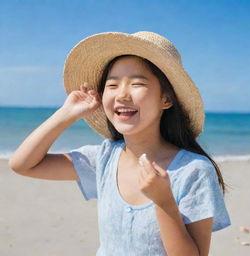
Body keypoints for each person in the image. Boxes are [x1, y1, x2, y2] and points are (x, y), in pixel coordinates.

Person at [8, 31, 231, 256]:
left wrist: (164, 202)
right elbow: (23, 164)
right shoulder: (104, 157)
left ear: (166, 99)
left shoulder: (194, 170)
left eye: (137, 83)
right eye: (112, 85)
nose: (122, 95)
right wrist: (66, 114)